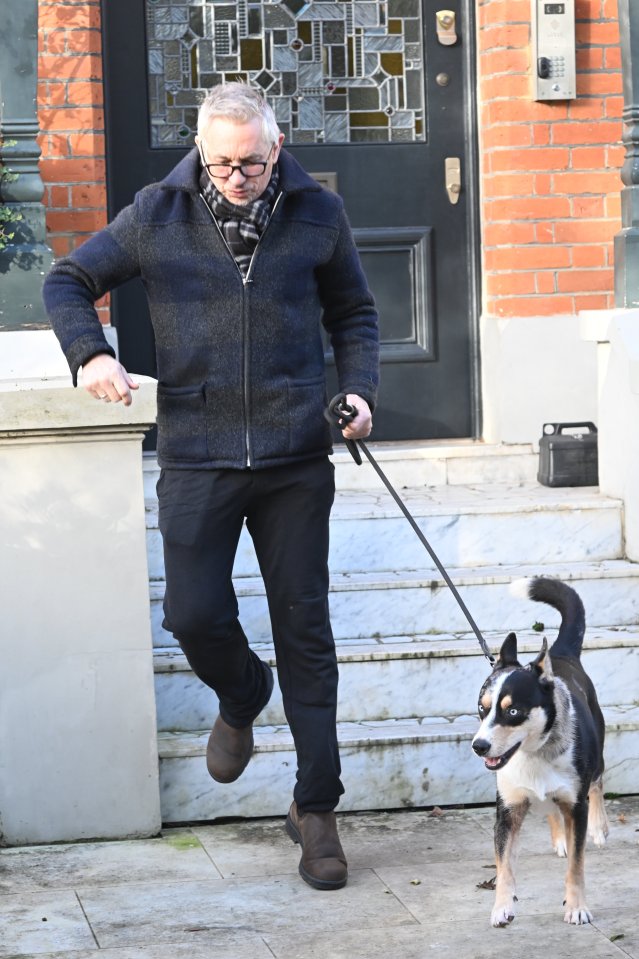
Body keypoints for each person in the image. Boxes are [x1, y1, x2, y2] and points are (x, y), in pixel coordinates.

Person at [43, 82, 379, 891]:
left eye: (253, 163)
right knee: (192, 610)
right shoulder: (154, 216)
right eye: (222, 163)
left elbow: (355, 315)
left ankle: (317, 809)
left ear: (277, 146)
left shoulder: (316, 213)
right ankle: (242, 691)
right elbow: (66, 280)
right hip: (197, 448)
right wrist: (92, 353)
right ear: (201, 151)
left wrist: (359, 391)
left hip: (296, 452)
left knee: (306, 628)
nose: (237, 177)